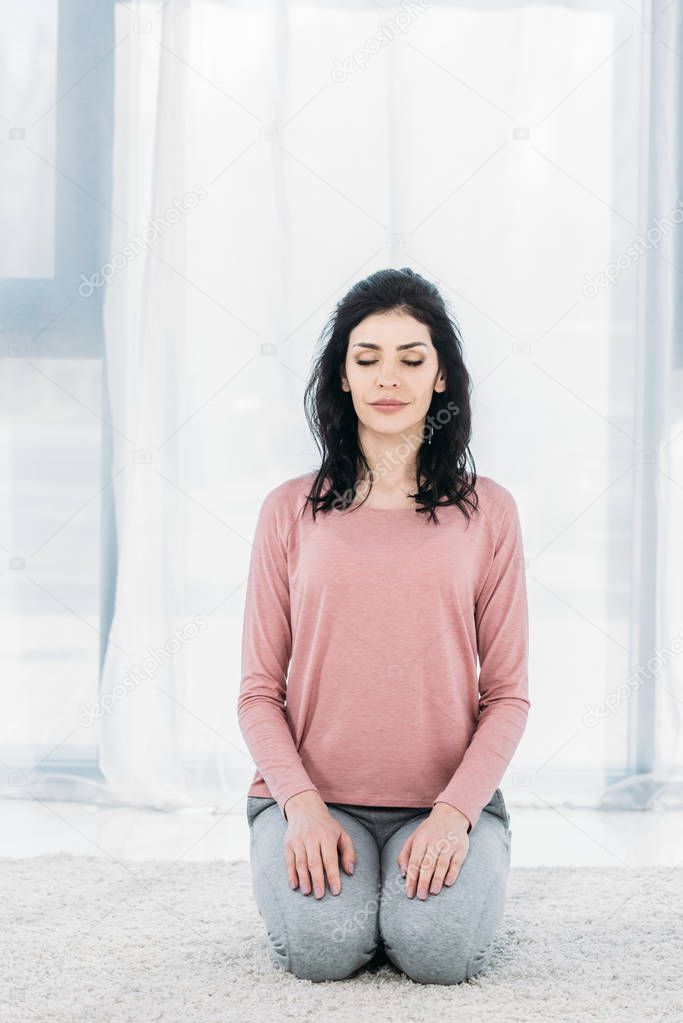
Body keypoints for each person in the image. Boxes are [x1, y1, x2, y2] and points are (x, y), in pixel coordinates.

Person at [237, 266, 530, 985]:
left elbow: (509, 694)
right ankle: (357, 893)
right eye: (366, 358)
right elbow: (255, 691)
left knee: (436, 953)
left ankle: (422, 891)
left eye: (411, 358)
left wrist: (454, 814)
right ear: (341, 376)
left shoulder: (487, 511)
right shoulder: (288, 510)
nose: (387, 377)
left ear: (439, 379)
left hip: (442, 802)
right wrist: (300, 806)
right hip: (311, 796)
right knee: (324, 949)